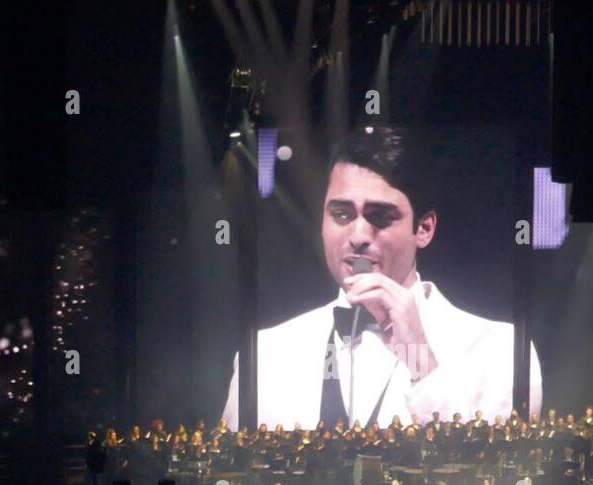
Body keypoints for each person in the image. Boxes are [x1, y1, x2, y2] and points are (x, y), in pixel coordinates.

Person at [220, 127, 542, 430]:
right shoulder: (266, 353)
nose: (358, 235)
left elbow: (490, 475)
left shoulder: (498, 350)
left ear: (424, 229)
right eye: (341, 214)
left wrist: (421, 360)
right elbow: (233, 478)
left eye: (380, 217)